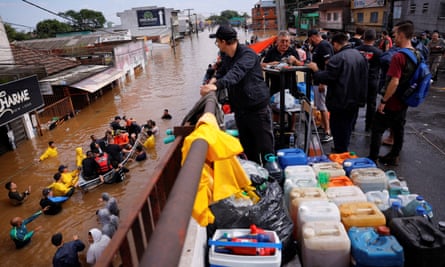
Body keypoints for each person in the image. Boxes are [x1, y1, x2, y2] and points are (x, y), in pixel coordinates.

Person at [200, 24, 274, 164]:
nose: (217, 45)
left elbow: (235, 74)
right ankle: (254, 177)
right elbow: (222, 71)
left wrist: (214, 87)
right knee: (247, 149)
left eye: (217, 42)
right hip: (240, 109)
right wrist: (212, 81)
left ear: (222, 42)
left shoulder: (248, 55)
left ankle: (272, 178)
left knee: (266, 149)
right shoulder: (227, 55)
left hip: (257, 109)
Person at [308, 32, 368, 153]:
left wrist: (316, 70)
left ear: (335, 44)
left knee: (338, 127)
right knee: (347, 126)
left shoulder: (338, 58)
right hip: (355, 98)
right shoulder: (359, 55)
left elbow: (327, 77)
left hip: (340, 100)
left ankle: (341, 152)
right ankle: (343, 148)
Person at [369, 21, 417, 166]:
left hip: (392, 99)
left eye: (395, 34)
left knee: (377, 129)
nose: (394, 37)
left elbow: (394, 81)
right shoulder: (417, 53)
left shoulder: (398, 56)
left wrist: (383, 101)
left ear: (402, 35)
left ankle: (373, 158)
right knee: (398, 128)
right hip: (405, 98)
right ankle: (394, 156)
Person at [307, 29, 334, 143]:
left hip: (322, 81)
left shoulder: (324, 46)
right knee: (319, 105)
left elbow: (328, 63)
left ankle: (328, 131)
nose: (309, 41)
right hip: (317, 80)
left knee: (323, 107)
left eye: (310, 39)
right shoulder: (317, 47)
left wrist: (323, 81)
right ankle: (323, 126)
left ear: (313, 37)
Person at [355, 29, 383, 131]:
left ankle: (352, 124)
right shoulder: (379, 52)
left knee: (355, 103)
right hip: (372, 80)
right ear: (374, 39)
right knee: (371, 104)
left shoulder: (356, 50)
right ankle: (369, 126)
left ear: (363, 37)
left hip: (358, 80)